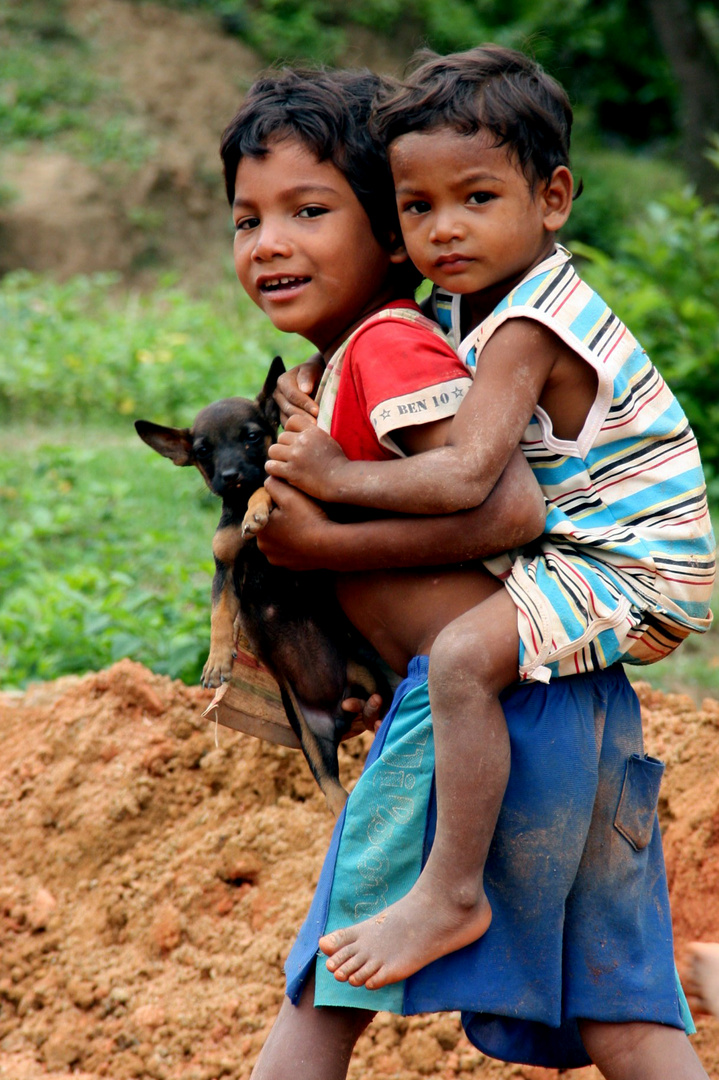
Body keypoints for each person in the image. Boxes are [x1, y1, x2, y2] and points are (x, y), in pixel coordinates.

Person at [220, 64, 704, 1079]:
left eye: (309, 210)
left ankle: (450, 892)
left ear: (381, 239)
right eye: (246, 219)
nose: (269, 243)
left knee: (322, 989)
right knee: (622, 1012)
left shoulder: (395, 349)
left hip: (485, 704)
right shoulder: (416, 343)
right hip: (573, 699)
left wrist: (323, 534)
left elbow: (501, 502)